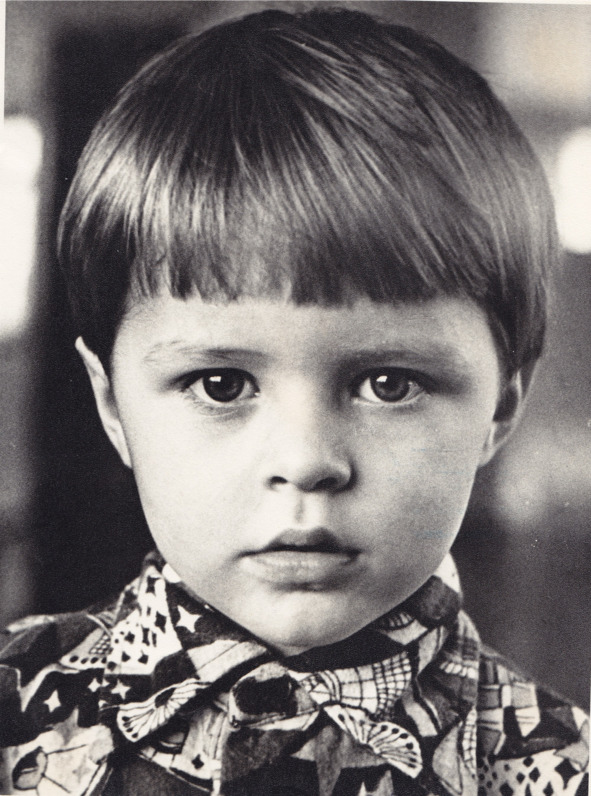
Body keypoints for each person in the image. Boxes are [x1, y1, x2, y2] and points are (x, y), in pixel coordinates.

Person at [0, 8, 587, 796]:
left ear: (500, 407)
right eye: (221, 384)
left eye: (388, 384)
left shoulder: (562, 771)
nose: (306, 461)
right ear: (113, 406)